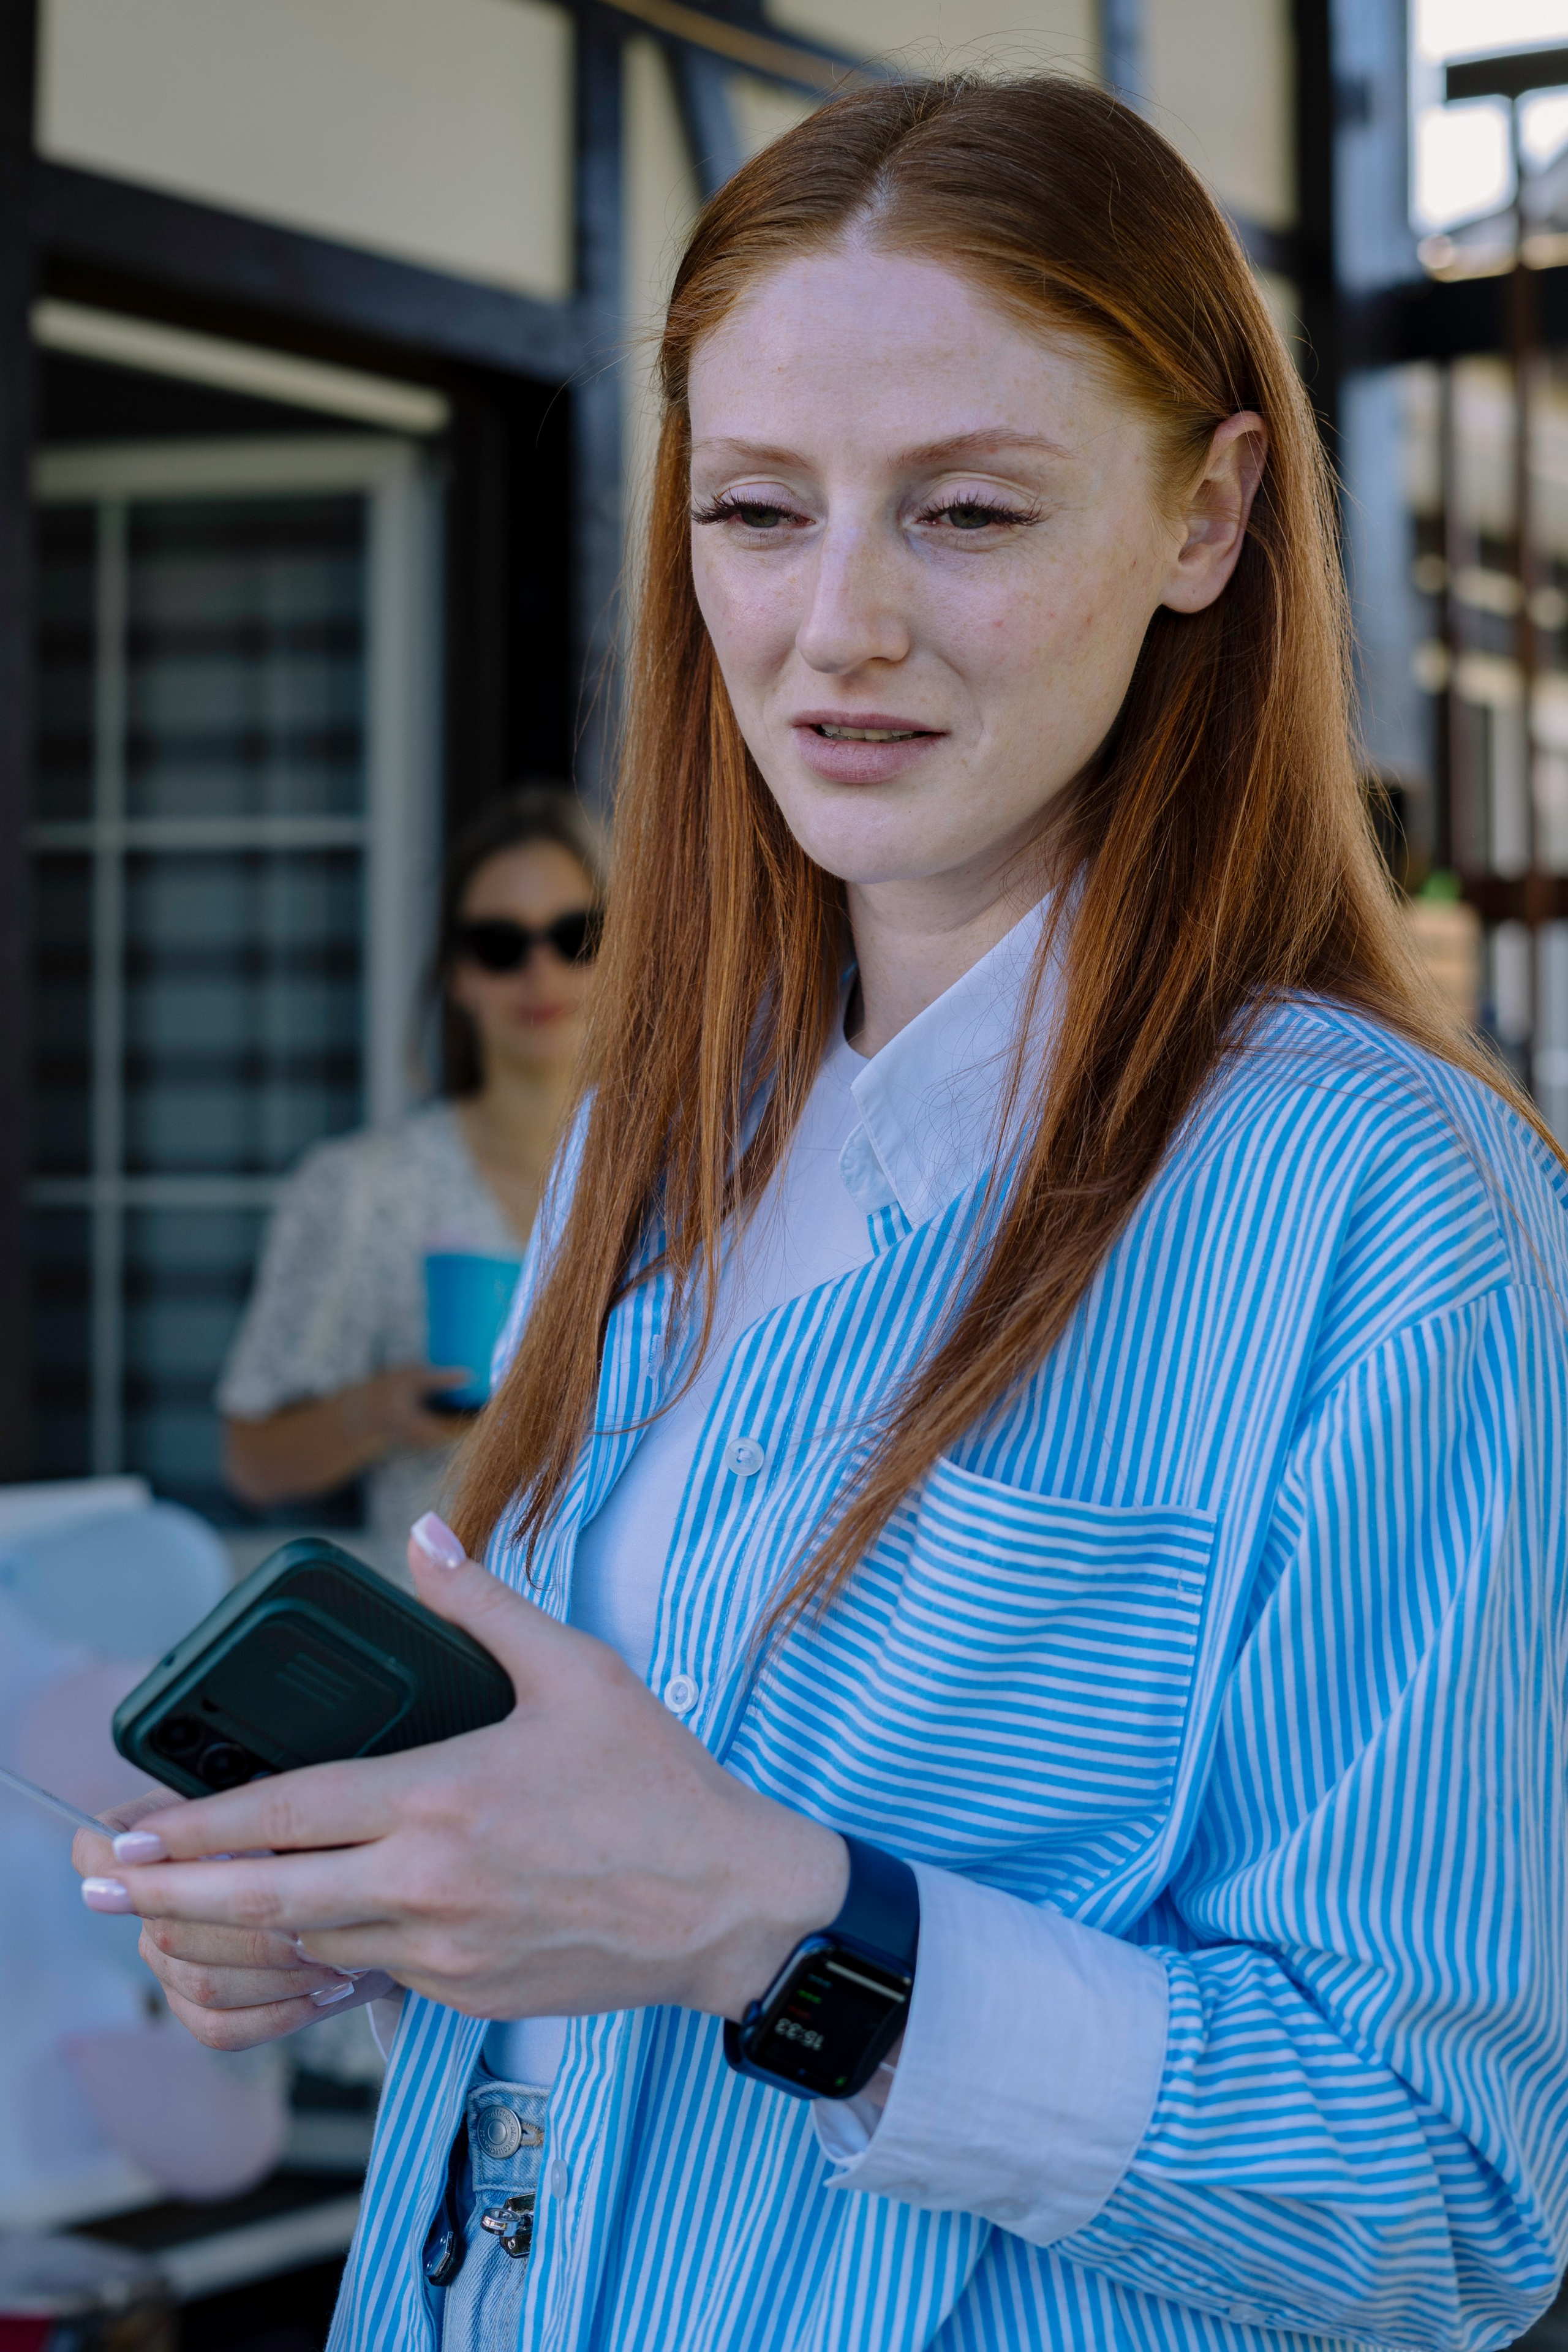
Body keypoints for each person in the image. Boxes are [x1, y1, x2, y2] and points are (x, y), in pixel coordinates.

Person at [76, 76, 1568, 2352]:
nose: (839, 625)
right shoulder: (657, 1143)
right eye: (760, 510)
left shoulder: (1387, 1209)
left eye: (966, 510)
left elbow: (1447, 2195)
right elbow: (580, 1904)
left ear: (1207, 514)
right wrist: (365, 1891)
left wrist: (780, 1927)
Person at [216, 786, 603, 1576]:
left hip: (636, 1643)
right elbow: (251, 1461)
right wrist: (380, 1410)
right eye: (499, 945)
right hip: (436, 1638)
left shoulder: (699, 1176)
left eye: (576, 936)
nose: (540, 971)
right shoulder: (363, 1190)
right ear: (456, 973)